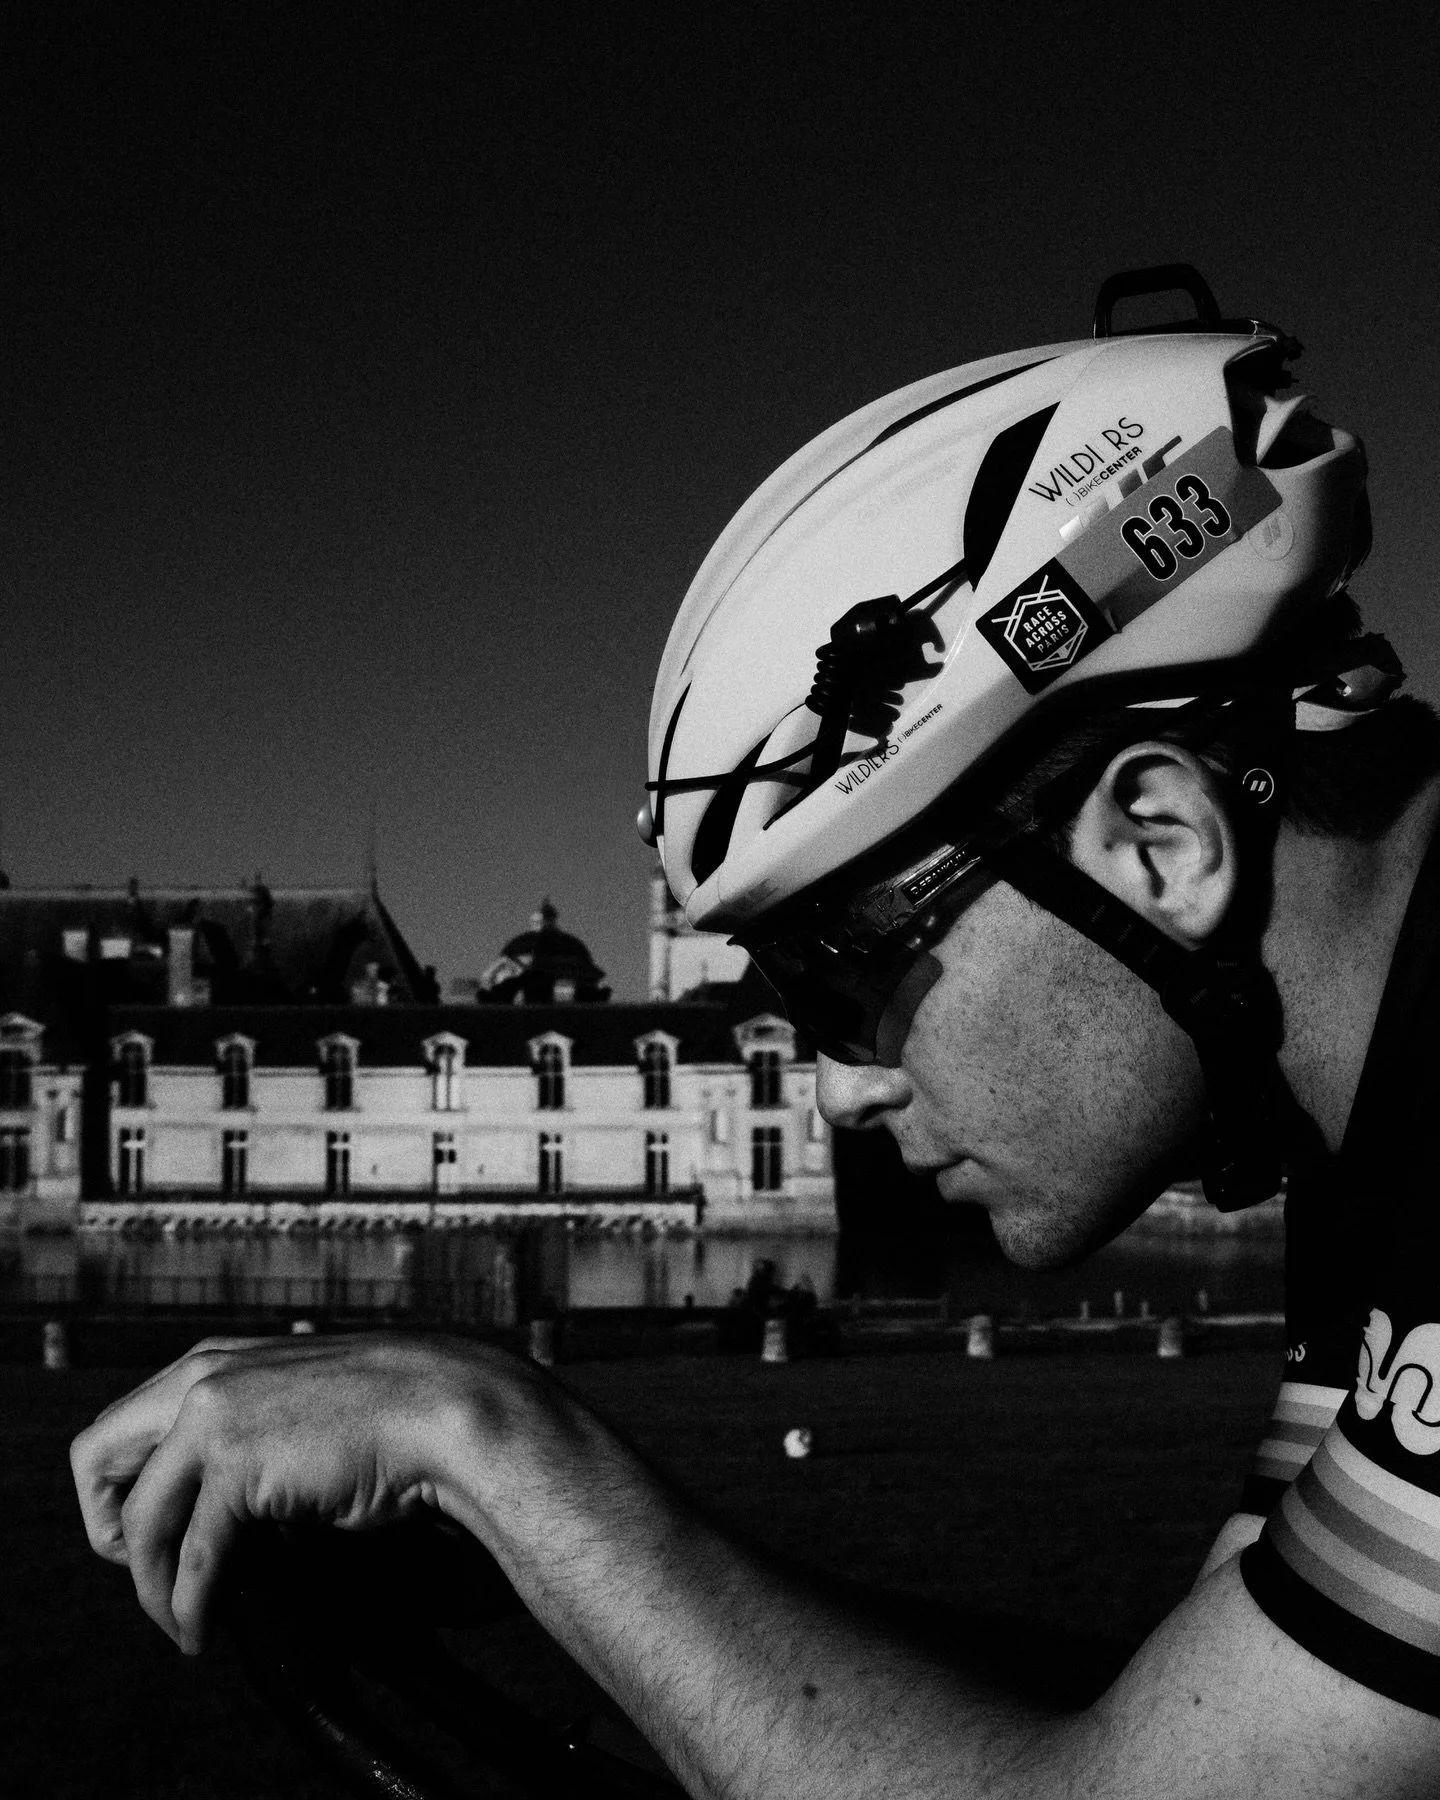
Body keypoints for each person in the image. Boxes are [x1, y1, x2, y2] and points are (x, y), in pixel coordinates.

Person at [72, 266, 1440, 1796]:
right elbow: (1217, 1731)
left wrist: (496, 1443)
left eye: (848, 975)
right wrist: (591, 1589)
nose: (843, 1083)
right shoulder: (1377, 1145)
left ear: (1160, 846)